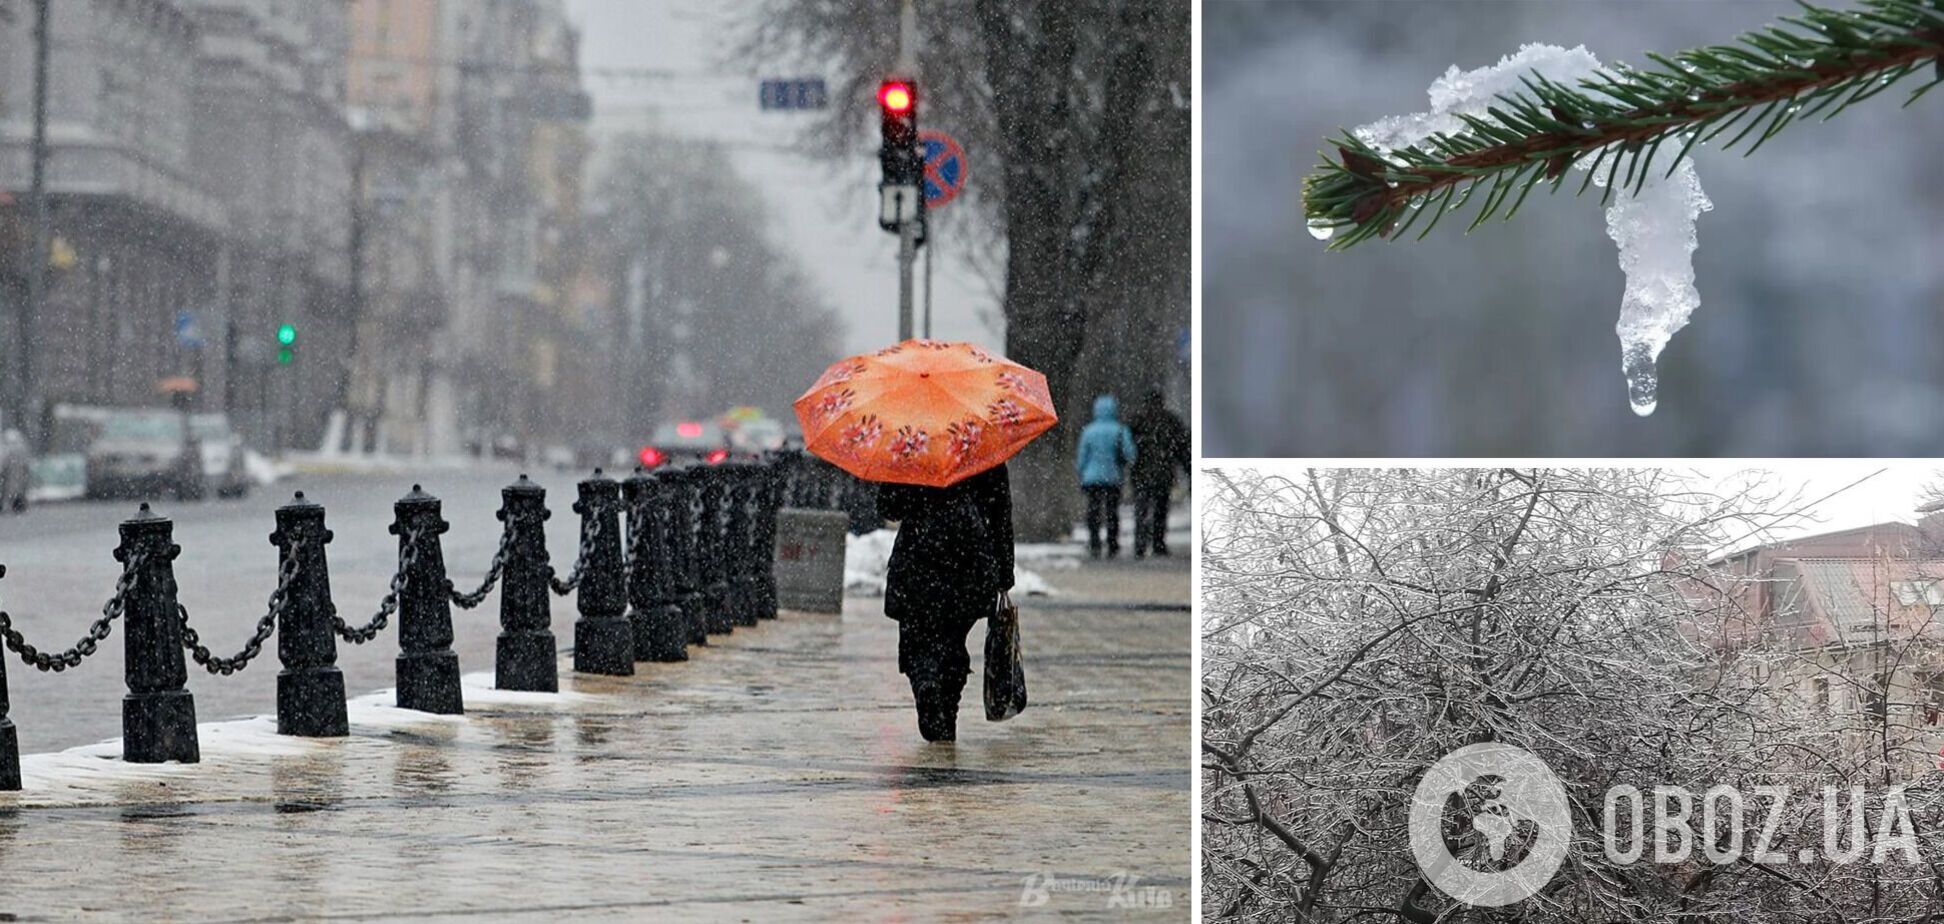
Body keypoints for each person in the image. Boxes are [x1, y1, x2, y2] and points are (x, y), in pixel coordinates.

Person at [877, 463, 1015, 742]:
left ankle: (926, 682)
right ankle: (946, 708)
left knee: (917, 640)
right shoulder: (980, 444)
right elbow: (1000, 510)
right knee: (952, 639)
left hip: (919, 554)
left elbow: (889, 506)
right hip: (968, 556)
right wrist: (1004, 569)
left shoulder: (911, 444)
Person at [1127, 390, 1190, 557]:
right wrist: (1187, 468)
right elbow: (1182, 447)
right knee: (1160, 510)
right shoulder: (1170, 421)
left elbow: (1127, 446)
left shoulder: (1137, 421)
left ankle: (1140, 543)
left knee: (1142, 509)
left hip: (1141, 473)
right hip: (1163, 473)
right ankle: (1158, 542)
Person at [1074, 394, 1136, 558]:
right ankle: (1112, 544)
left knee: (1093, 511)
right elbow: (1130, 454)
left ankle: (1094, 543)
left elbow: (1082, 457)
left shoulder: (1088, 431)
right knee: (1112, 512)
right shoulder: (1121, 430)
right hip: (1113, 477)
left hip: (1091, 477)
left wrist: (1080, 472)